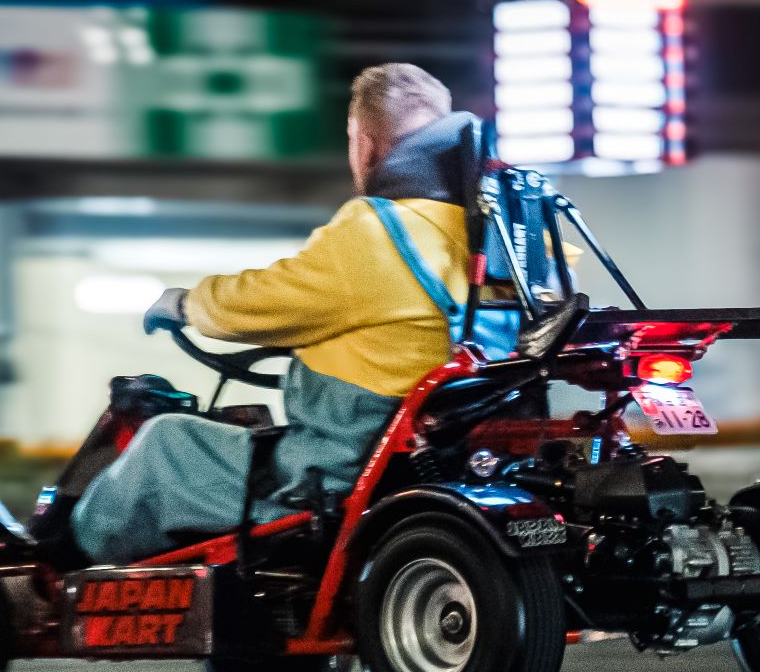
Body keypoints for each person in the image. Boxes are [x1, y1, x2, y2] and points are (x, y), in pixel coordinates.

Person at [69, 63, 477, 564]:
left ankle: (74, 570)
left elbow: (271, 297)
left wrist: (188, 303)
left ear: (364, 144)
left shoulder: (377, 230)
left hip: (333, 474)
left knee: (166, 441)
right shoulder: (487, 239)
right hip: (436, 453)